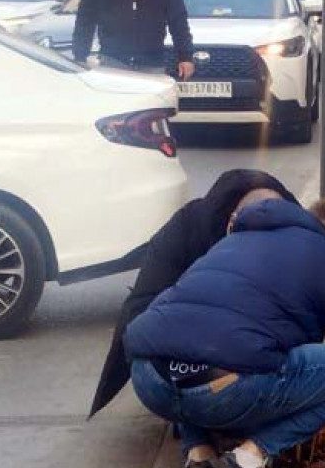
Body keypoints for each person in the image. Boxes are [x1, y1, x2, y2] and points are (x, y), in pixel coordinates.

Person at [124, 193, 325, 468]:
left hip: (150, 378)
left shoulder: (234, 242)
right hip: (221, 391)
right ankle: (248, 462)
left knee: (198, 344)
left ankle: (199, 458)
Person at [89, 171, 299, 419]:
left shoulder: (293, 231)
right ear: (232, 224)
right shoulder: (186, 231)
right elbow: (142, 307)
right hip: (174, 365)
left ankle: (198, 432)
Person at [72, 0, 195, 79]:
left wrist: (185, 57)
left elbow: (178, 22)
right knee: (117, 112)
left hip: (152, 63)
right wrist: (80, 55)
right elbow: (85, 21)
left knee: (150, 112)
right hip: (113, 62)